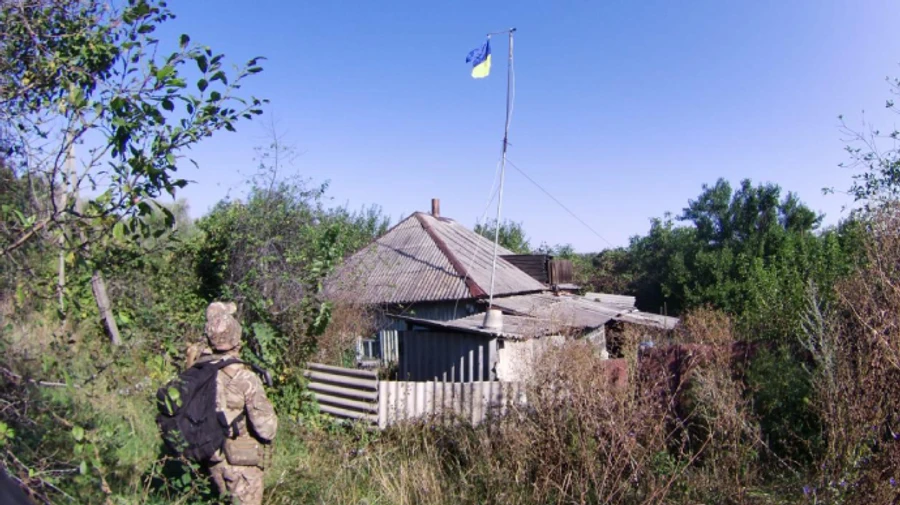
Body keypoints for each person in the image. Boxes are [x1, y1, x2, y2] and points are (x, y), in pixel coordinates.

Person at [197, 302, 278, 505]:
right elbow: (266, 429)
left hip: (212, 460)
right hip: (241, 466)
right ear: (237, 339)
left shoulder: (199, 370)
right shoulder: (245, 378)